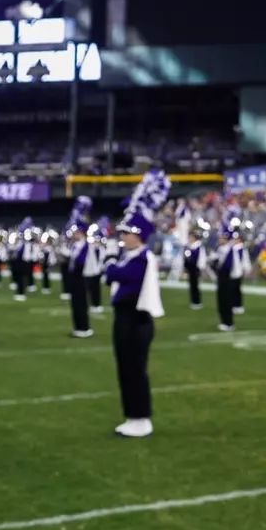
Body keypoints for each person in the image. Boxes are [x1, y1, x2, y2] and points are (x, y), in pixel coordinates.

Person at [103, 169, 168, 438]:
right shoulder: (130, 256)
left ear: (138, 235)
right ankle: (132, 416)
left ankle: (141, 418)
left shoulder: (141, 259)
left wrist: (110, 263)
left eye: (127, 232)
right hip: (125, 317)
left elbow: (119, 277)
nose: (122, 236)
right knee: (125, 369)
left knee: (134, 370)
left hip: (136, 319)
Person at [62, 198, 95, 338]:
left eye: (76, 232)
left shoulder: (85, 245)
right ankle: (78, 327)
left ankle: (84, 328)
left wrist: (69, 256)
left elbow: (81, 261)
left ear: (81, 232)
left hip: (80, 276)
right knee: (75, 303)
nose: (74, 234)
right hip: (74, 276)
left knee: (81, 302)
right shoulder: (76, 245)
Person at [183, 224, 208, 310]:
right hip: (190, 268)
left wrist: (200, 268)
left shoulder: (198, 247)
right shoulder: (189, 246)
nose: (190, 238)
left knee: (196, 285)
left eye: (191, 237)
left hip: (196, 268)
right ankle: (193, 301)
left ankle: (197, 302)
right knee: (192, 285)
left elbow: (202, 258)